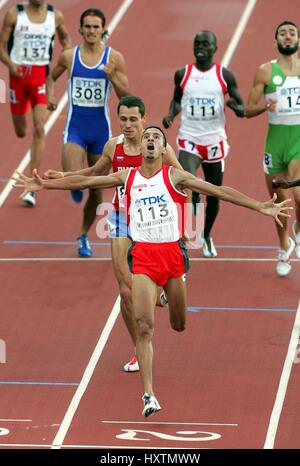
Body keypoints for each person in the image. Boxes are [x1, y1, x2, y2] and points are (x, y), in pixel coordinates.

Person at [13, 126, 292, 417]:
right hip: (143, 256)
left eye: (156, 138)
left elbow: (219, 191)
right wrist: (46, 186)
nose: (149, 140)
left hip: (172, 256)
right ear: (143, 147)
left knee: (179, 324)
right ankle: (149, 395)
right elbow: (89, 182)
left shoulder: (175, 176)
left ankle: (170, 295)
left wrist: (260, 206)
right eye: (147, 136)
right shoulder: (127, 177)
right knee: (145, 327)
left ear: (162, 150)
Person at [44, 96, 183, 373]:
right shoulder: (113, 146)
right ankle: (138, 350)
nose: (128, 125)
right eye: (123, 119)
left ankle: (161, 291)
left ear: (144, 119)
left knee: (148, 283)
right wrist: (61, 176)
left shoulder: (157, 146)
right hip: (120, 217)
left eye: (133, 119)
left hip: (149, 221)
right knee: (124, 289)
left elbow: (181, 180)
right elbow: (94, 174)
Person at [46, 8, 130, 257]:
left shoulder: (114, 58)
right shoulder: (69, 57)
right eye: (88, 26)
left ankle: (83, 234)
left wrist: (113, 75)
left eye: (96, 27)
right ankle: (74, 184)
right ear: (80, 30)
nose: (92, 31)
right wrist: (51, 96)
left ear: (102, 30)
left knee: (96, 191)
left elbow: (127, 96)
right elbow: (51, 78)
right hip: (75, 129)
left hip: (100, 133)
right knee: (74, 179)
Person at [162, 30, 244, 258]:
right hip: (189, 138)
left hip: (214, 141)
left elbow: (241, 103)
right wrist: (171, 114)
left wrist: (238, 109)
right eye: (197, 43)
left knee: (215, 194)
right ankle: (185, 227)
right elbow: (177, 100)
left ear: (215, 48)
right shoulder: (182, 74)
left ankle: (206, 235)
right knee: (185, 183)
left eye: (206, 44)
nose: (201, 47)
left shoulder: (224, 75)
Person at [0, 0, 72, 207]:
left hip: (41, 77)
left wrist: (67, 49)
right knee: (22, 131)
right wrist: (10, 65)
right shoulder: (15, 14)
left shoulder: (55, 16)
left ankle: (32, 183)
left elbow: (65, 38)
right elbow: (1, 46)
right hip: (18, 77)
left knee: (40, 128)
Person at [245, 20, 300, 276]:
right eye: (282, 33)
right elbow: (248, 109)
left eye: (292, 33)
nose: (287, 37)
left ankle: (298, 230)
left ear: (298, 40)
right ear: (275, 40)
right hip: (275, 142)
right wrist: (266, 107)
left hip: (299, 140)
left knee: (297, 193)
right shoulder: (266, 72)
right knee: (279, 200)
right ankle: (284, 244)